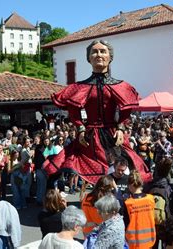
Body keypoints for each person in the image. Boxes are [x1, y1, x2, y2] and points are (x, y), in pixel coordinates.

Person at [43, 40, 152, 185]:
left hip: (113, 133)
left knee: (130, 166)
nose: (98, 54)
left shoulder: (121, 86)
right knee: (71, 165)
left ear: (110, 57)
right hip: (89, 136)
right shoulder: (79, 86)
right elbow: (74, 111)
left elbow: (126, 109)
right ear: (89, 58)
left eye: (103, 51)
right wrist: (80, 129)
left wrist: (120, 128)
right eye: (94, 52)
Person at [122, 170, 156, 249]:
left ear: (130, 185)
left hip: (133, 241)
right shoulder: (150, 199)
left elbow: (125, 223)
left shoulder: (128, 203)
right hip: (149, 240)